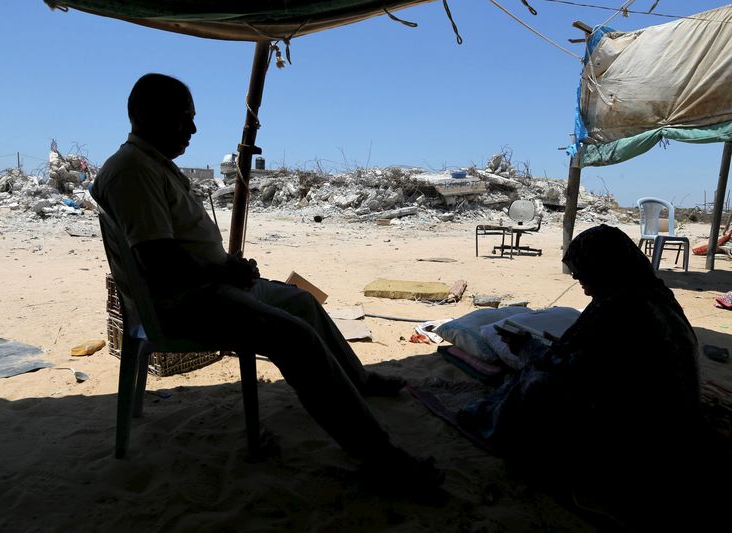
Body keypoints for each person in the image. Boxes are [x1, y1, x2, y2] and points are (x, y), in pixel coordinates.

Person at [91, 73, 442, 489]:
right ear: (147, 116)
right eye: (183, 117)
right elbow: (158, 261)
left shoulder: (148, 163)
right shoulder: (133, 170)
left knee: (301, 302)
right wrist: (224, 270)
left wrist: (227, 270)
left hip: (210, 285)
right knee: (296, 338)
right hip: (187, 301)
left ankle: (358, 382)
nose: (193, 128)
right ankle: (380, 457)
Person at [457, 224, 700, 521]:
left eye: (581, 270)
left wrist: (529, 349)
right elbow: (602, 361)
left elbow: (578, 371)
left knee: (535, 385)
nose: (576, 278)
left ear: (602, 266)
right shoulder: (652, 294)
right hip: (680, 415)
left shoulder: (617, 309)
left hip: (641, 430)